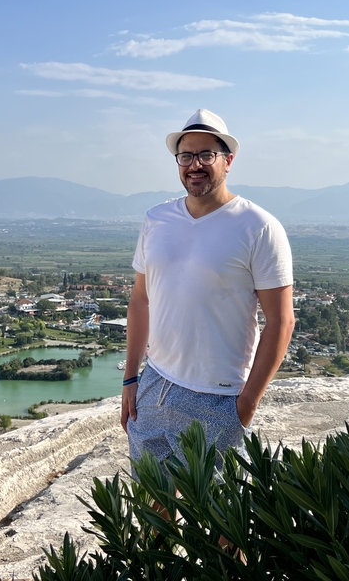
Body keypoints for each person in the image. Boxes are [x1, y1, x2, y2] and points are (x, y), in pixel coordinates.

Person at [121, 108, 295, 469]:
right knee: (156, 509)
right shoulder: (156, 219)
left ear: (228, 160)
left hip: (219, 395)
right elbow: (141, 300)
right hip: (155, 383)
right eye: (185, 156)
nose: (194, 165)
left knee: (218, 515)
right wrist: (131, 377)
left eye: (206, 155)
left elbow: (281, 322)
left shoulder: (258, 227)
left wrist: (245, 405)